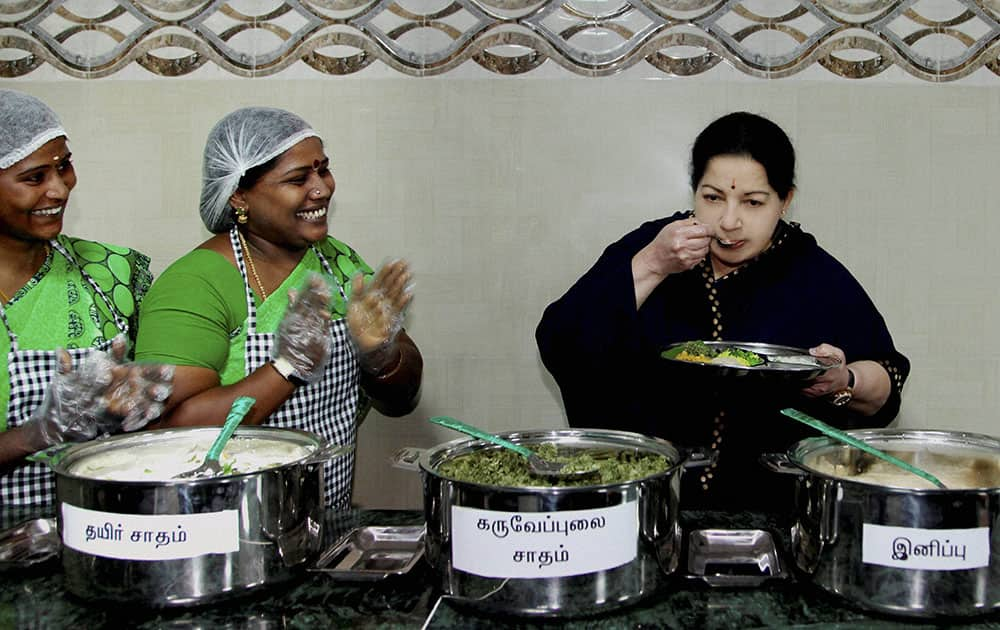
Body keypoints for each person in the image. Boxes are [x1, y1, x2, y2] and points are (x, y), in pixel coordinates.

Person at [536, 111, 909, 512]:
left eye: (752, 202)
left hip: (776, 514)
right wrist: (653, 264)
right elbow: (562, 342)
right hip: (642, 501)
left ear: (785, 201)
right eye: (712, 198)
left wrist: (843, 379)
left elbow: (887, 384)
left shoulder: (812, 273)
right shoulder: (653, 245)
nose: (729, 222)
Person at [135, 106, 423, 509]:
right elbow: (169, 432)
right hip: (225, 524)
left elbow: (401, 401)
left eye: (323, 169)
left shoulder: (338, 264)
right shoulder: (195, 284)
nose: (321, 188)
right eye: (298, 178)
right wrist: (286, 367)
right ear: (238, 194)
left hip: (323, 515)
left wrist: (381, 354)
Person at [0, 89, 173, 507]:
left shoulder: (111, 271)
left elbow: (155, 415)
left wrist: (141, 404)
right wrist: (39, 431)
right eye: (34, 178)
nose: (59, 190)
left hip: (106, 521)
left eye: (64, 167)